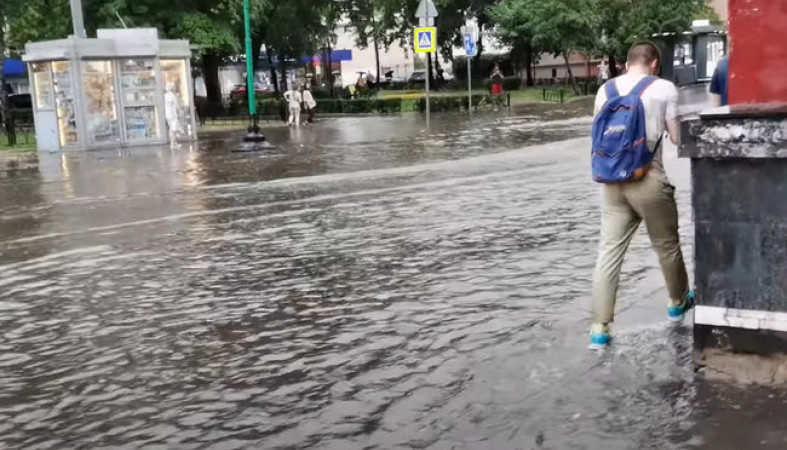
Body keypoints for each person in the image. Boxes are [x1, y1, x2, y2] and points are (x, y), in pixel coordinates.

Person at [589, 41, 694, 349]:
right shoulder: (664, 88)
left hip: (611, 183)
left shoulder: (604, 91)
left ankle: (599, 329)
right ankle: (677, 302)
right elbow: (677, 138)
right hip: (649, 178)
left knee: (608, 254)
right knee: (667, 246)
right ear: (654, 64)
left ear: (626, 63)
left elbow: (598, 137)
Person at [164, 82, 182, 147]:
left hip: (167, 114)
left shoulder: (165, 95)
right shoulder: (172, 96)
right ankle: (173, 143)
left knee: (171, 129)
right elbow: (177, 105)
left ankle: (173, 143)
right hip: (173, 114)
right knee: (174, 129)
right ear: (172, 88)